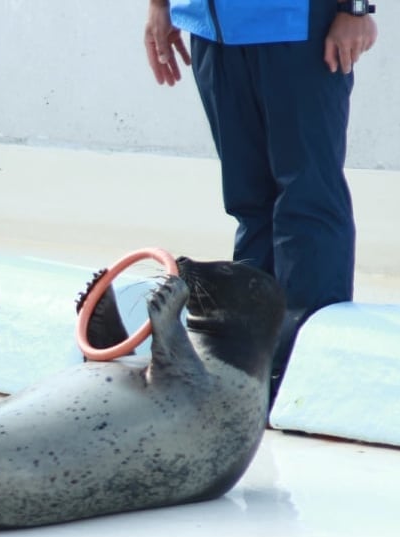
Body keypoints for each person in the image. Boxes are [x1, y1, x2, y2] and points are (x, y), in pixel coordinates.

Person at [143, 0, 378, 402]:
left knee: (307, 202)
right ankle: (249, 372)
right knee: (249, 202)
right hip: (209, 26)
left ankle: (308, 374)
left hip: (299, 25)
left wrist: (355, 9)